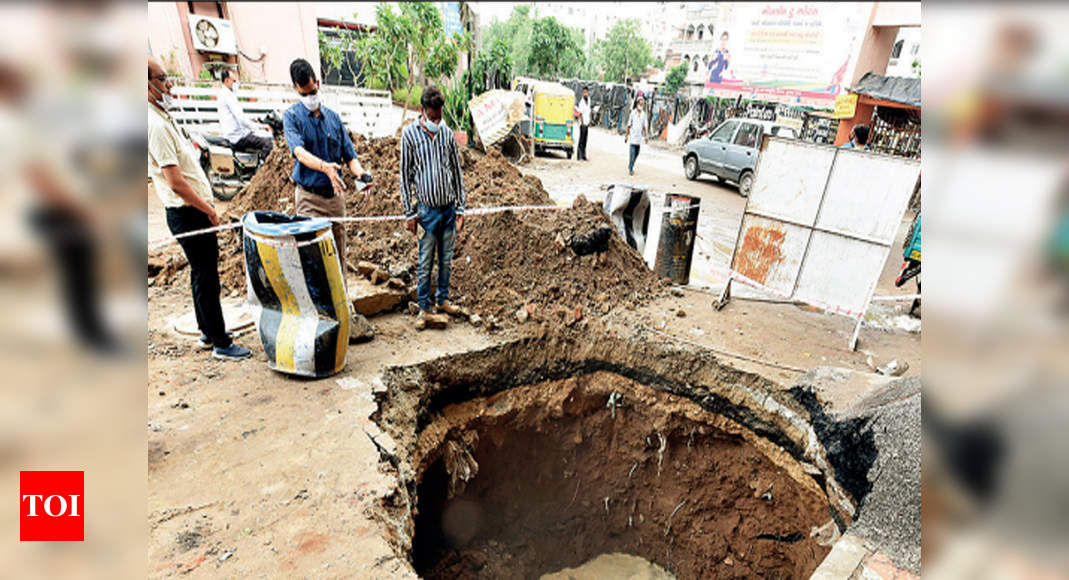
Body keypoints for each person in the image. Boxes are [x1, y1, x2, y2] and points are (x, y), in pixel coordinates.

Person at [147, 57, 251, 360]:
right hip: (188, 212)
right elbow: (176, 182)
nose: (169, 84)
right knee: (207, 276)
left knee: (200, 273)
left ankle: (207, 330)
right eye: (163, 78)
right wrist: (208, 208)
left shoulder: (162, 117)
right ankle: (221, 342)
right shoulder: (155, 126)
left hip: (188, 211)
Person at [282, 58, 372, 265]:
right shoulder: (292, 117)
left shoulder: (333, 119)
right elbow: (299, 153)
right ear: (296, 89)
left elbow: (350, 157)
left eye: (312, 92)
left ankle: (341, 297)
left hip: (335, 199)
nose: (310, 97)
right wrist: (325, 168)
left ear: (318, 84)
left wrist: (361, 175)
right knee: (312, 259)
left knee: (338, 256)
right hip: (308, 199)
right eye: (304, 94)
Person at [400, 85, 467, 330]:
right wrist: (410, 212)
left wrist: (461, 208)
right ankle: (424, 308)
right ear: (422, 111)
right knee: (425, 261)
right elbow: (405, 177)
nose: (436, 121)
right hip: (426, 212)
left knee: (446, 260)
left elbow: (457, 173)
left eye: (439, 117)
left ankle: (442, 300)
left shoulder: (447, 134)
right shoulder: (409, 136)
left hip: (448, 209)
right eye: (433, 117)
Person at [218, 68, 273, 158]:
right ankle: (264, 170)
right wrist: (261, 126)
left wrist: (253, 118)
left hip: (235, 134)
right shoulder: (228, 96)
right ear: (227, 81)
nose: (236, 83)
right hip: (238, 137)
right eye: (234, 80)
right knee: (268, 143)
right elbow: (242, 120)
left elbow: (238, 116)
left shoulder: (226, 94)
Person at [625, 95, 648, 176]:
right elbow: (628, 125)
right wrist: (626, 136)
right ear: (637, 103)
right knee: (632, 153)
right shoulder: (633, 113)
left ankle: (631, 164)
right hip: (632, 137)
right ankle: (630, 169)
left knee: (637, 153)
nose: (641, 105)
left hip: (639, 138)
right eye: (640, 103)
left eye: (642, 104)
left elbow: (645, 127)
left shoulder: (643, 114)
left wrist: (646, 137)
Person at [574, 87, 591, 161]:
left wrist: (589, 121)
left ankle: (584, 155)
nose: (585, 94)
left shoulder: (589, 100)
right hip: (583, 123)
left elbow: (589, 111)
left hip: (587, 122)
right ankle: (579, 156)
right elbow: (580, 113)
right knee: (581, 140)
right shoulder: (582, 102)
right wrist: (583, 122)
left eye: (586, 92)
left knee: (585, 140)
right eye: (584, 92)